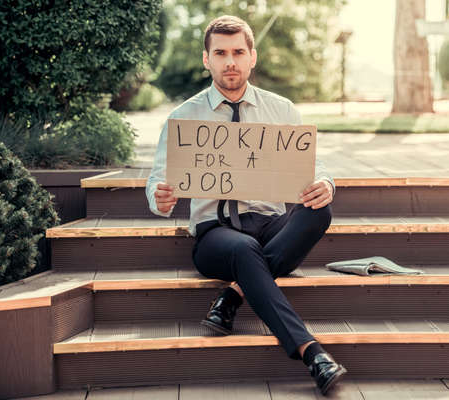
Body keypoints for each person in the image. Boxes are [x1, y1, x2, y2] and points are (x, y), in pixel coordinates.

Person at [146, 15, 347, 395]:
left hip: (271, 224)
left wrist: (326, 184)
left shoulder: (282, 110)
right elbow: (157, 180)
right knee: (243, 248)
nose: (230, 61)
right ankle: (311, 352)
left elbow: (312, 167)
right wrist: (159, 196)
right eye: (220, 53)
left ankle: (234, 293)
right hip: (216, 235)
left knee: (319, 210)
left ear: (252, 57)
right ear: (206, 59)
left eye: (238, 52)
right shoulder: (183, 118)